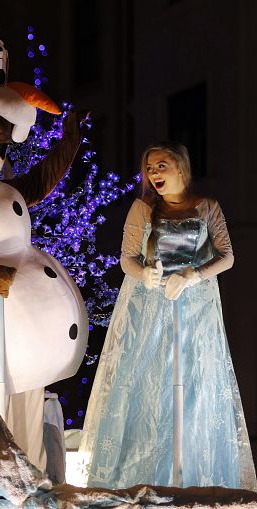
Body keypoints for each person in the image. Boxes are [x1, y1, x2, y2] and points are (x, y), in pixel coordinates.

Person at [79, 142, 256, 489]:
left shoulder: (207, 207)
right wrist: (145, 274)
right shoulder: (143, 208)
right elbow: (127, 257)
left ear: (180, 167)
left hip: (196, 310)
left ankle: (194, 476)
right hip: (152, 309)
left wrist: (193, 275)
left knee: (195, 383)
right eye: (148, 168)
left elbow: (227, 255)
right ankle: (148, 476)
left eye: (161, 165)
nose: (153, 173)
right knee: (151, 386)